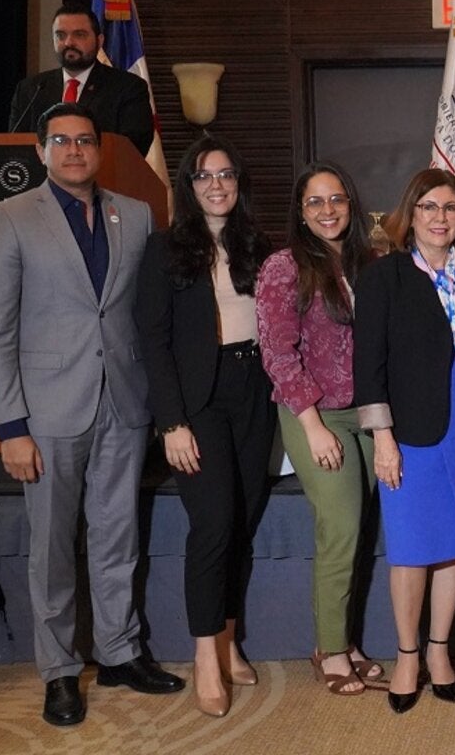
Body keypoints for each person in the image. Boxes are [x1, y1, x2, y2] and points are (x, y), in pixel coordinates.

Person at [0, 103, 183, 727]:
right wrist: (10, 427)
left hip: (123, 401)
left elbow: (142, 312)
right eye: (60, 140)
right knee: (53, 548)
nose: (73, 150)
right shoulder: (8, 219)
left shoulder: (135, 214)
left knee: (119, 538)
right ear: (41, 151)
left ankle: (119, 651)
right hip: (46, 415)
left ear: (98, 148)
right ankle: (60, 670)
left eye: (84, 140)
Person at [133, 135, 274, 718]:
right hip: (197, 402)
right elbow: (153, 340)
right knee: (212, 524)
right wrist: (171, 422)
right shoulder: (163, 248)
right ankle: (203, 657)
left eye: (226, 174)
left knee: (243, 522)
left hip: (254, 393)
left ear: (238, 184)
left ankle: (228, 639)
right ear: (189, 187)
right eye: (203, 176)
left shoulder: (258, 246)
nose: (216, 184)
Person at [352, 168, 455, 714]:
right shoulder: (383, 276)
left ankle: (441, 651)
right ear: (410, 215)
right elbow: (369, 366)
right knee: (413, 549)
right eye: (430, 207)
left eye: (451, 208)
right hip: (410, 434)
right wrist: (383, 438)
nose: (441, 217)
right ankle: (408, 654)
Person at [257, 162, 383, 696]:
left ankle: (347, 641)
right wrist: (311, 426)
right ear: (301, 212)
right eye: (315, 202)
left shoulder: (370, 262)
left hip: (368, 415)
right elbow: (277, 354)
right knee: (341, 529)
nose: (327, 210)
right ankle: (329, 649)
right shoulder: (284, 267)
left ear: (351, 207)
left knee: (361, 532)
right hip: (315, 414)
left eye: (337, 200)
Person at [8, 3, 153, 156]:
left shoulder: (128, 87)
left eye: (79, 35)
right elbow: (14, 147)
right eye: (60, 35)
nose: (68, 42)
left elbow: (133, 147)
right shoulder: (31, 89)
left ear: (100, 41)